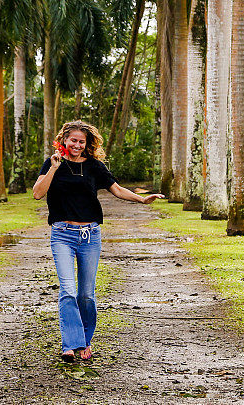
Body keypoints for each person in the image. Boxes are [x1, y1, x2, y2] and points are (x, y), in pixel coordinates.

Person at [33, 121, 163, 363]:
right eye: (73, 140)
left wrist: (142, 200)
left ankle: (85, 340)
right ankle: (70, 344)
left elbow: (117, 189)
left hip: (90, 236)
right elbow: (38, 193)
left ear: (87, 144)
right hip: (62, 233)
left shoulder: (94, 166)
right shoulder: (53, 163)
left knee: (86, 295)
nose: (77, 145)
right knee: (68, 291)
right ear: (64, 140)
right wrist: (53, 168)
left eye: (82, 141)